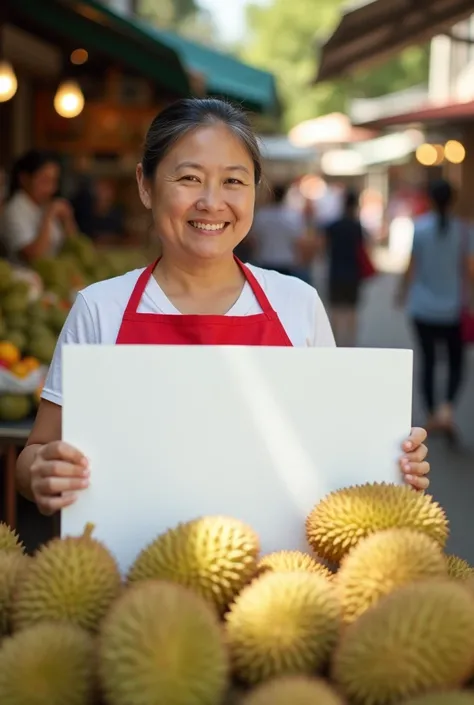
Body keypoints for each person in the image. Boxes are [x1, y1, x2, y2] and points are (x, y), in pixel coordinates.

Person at [15, 98, 430, 517]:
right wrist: (41, 472)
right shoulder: (99, 308)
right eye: (190, 178)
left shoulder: (297, 304)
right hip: (131, 573)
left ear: (255, 190)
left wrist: (393, 460)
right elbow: (34, 451)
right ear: (145, 185)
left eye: (234, 181)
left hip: (279, 575)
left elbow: (330, 444)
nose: (212, 202)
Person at [397, 178, 474, 438]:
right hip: (454, 309)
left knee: (428, 362)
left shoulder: (420, 228)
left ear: (430, 199)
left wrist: (401, 293)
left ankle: (431, 414)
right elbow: (470, 270)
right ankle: (447, 410)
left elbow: (411, 266)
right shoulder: (465, 231)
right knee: (456, 363)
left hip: (422, 307)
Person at [1, 150, 77, 264]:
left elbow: (75, 246)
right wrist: (49, 216)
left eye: (54, 181)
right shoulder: (14, 211)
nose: (51, 188)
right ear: (24, 179)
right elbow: (34, 257)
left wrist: (67, 219)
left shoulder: (45, 204)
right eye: (44, 181)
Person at [319, 187, 371, 347]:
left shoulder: (333, 225)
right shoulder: (357, 227)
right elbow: (364, 249)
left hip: (336, 271)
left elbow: (323, 248)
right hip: (353, 273)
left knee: (335, 310)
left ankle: (334, 343)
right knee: (351, 311)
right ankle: (350, 344)